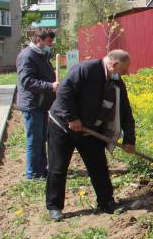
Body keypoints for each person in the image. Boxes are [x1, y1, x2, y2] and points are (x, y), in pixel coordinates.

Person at [46, 50, 136, 221]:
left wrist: (129, 140)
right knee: (58, 167)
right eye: (124, 70)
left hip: (91, 130)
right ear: (114, 65)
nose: (125, 73)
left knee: (98, 166)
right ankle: (54, 206)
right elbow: (64, 92)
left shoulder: (117, 85)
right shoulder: (85, 69)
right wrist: (72, 118)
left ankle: (106, 201)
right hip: (63, 125)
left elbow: (126, 113)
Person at [16, 29, 59, 180]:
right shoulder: (27, 56)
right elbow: (27, 81)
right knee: (34, 139)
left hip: (40, 104)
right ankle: (33, 173)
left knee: (41, 138)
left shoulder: (41, 55)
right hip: (32, 104)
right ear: (38, 41)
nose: (50, 45)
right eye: (48, 42)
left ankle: (41, 168)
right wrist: (50, 87)